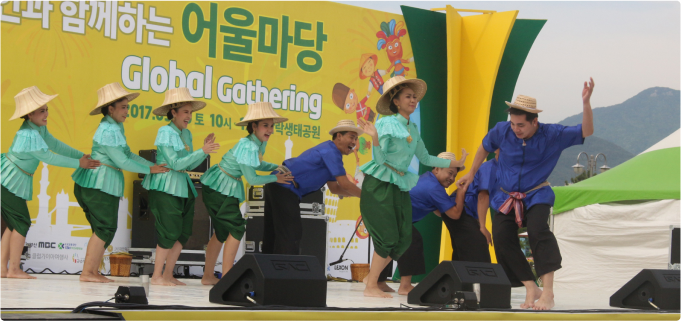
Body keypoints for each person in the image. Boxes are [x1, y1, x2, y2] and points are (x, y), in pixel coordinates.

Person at [457, 78, 595, 310]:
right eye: (513, 124)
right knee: (501, 239)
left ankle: (548, 292)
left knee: (538, 230)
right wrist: (471, 174)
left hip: (536, 193)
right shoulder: (502, 130)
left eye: (521, 125)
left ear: (534, 122)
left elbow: (586, 131)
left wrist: (586, 104)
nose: (516, 129)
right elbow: (484, 146)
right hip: (505, 196)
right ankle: (531, 287)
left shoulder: (552, 134)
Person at [357, 76, 467, 298]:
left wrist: (456, 163)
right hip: (380, 184)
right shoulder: (386, 123)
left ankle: (373, 280)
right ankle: (370, 286)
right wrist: (375, 138)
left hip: (399, 184)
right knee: (388, 236)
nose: (413, 100)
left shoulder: (412, 128)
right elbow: (379, 160)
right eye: (408, 96)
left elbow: (426, 157)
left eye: (415, 97)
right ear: (395, 101)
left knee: (403, 237)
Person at [72, 82, 169, 283]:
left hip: (103, 183)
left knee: (105, 228)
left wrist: (152, 165)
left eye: (127, 107)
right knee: (104, 228)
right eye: (123, 107)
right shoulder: (108, 130)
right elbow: (121, 161)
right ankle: (87, 273)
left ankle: (92, 272)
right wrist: (150, 169)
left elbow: (127, 153)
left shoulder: (115, 128)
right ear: (110, 109)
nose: (127, 112)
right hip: (98, 183)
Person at [0, 86, 100, 279]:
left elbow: (54, 145)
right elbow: (49, 157)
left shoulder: (37, 129)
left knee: (13, 224)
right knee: (21, 222)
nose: (46, 114)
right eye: (42, 111)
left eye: (47, 109)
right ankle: (13, 269)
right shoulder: (28, 135)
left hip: (12, 179)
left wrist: (80, 155)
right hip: (8, 179)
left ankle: (3, 269)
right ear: (30, 114)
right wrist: (79, 163)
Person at [200, 102, 292, 285]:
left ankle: (208, 276)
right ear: (254, 126)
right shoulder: (248, 145)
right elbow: (253, 179)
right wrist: (277, 179)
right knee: (236, 228)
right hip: (220, 187)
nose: (270, 130)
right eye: (265, 125)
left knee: (221, 232)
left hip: (221, 186)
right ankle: (227, 278)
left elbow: (256, 165)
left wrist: (275, 167)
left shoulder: (257, 143)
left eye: (272, 125)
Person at [142, 87, 219, 286]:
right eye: (185, 112)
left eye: (191, 112)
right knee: (169, 230)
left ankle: (168, 275)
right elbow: (175, 164)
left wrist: (203, 151)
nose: (189, 116)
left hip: (184, 187)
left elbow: (189, 164)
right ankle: (157, 276)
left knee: (182, 233)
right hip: (166, 186)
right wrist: (202, 150)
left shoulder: (186, 134)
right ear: (173, 112)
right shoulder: (165, 132)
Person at [262, 119, 363, 256]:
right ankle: (284, 274)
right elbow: (345, 184)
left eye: (356, 139)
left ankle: (270, 273)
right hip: (284, 186)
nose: (354, 142)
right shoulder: (331, 152)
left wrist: (358, 195)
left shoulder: (331, 153)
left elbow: (335, 188)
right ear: (339, 136)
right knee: (290, 233)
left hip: (278, 185)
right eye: (351, 137)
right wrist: (366, 196)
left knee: (273, 233)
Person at [377, 152, 468, 295]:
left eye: (454, 176)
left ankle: (378, 281)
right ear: (437, 169)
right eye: (450, 173)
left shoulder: (427, 179)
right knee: (412, 240)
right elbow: (455, 214)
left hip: (385, 214)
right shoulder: (434, 188)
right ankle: (405, 286)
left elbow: (439, 211)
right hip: (392, 216)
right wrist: (461, 192)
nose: (451, 178)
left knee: (392, 247)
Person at [442, 149, 500, 263]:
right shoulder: (491, 167)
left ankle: (457, 279)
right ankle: (483, 280)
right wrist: (482, 226)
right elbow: (482, 196)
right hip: (460, 207)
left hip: (467, 211)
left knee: (463, 249)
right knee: (478, 244)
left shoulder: (504, 170)